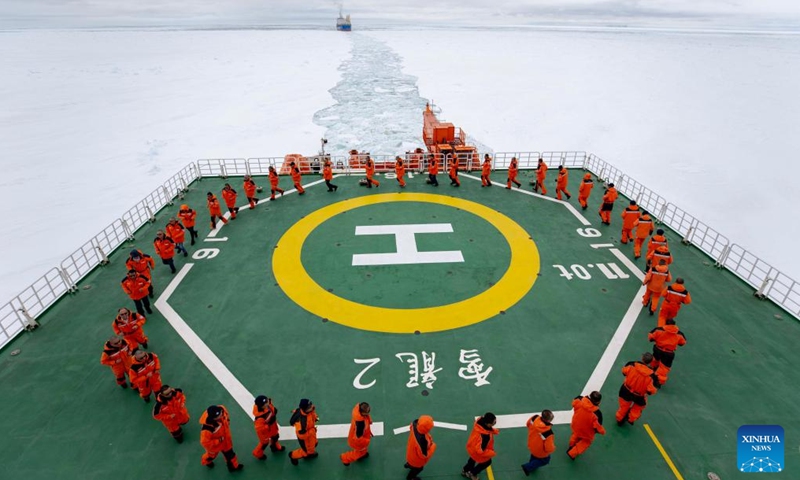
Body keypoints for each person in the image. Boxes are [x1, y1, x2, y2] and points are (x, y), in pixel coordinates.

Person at [616, 353, 658, 426]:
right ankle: (631, 418)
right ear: (651, 361)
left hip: (626, 390)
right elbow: (651, 391)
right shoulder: (652, 376)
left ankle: (619, 419)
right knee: (638, 408)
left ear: (642, 358)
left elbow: (624, 372)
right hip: (639, 395)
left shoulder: (632, 365)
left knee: (624, 406)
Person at [200, 405, 244, 471]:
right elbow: (205, 442)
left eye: (220, 413)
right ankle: (206, 461)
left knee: (230, 455)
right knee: (211, 456)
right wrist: (218, 441)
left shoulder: (222, 409)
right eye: (218, 416)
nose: (221, 415)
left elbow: (226, 414)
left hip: (226, 441)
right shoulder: (207, 429)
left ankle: (234, 466)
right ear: (213, 418)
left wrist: (228, 421)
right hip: (215, 446)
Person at [567, 392, 605, 460]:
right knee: (586, 442)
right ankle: (572, 453)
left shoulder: (580, 399)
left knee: (575, 434)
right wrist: (602, 432)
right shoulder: (597, 414)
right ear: (598, 402)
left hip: (576, 424)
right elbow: (597, 428)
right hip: (586, 432)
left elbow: (574, 403)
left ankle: (571, 444)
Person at [648, 319, 687, 386]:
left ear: (665, 324)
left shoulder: (658, 330)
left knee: (655, 359)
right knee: (664, 368)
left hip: (658, 349)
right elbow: (682, 343)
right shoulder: (679, 334)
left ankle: (652, 370)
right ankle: (658, 381)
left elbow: (651, 337)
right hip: (668, 353)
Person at [462, 412, 498, 480]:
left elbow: (487, 429)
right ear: (488, 424)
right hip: (477, 450)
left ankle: (465, 470)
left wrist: (493, 431)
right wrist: (491, 453)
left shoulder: (479, 423)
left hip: (472, 446)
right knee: (487, 461)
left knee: (472, 459)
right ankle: (472, 473)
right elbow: (480, 451)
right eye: (494, 422)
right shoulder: (485, 437)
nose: (495, 423)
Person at [521, 410, 555, 475]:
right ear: (548, 420)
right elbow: (548, 448)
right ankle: (527, 467)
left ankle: (532, 465)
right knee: (545, 460)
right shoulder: (548, 433)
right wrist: (553, 448)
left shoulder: (534, 418)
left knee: (534, 456)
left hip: (531, 443)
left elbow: (528, 424)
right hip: (540, 451)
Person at [252, 395, 284, 460]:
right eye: (265, 403)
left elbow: (271, 407)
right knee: (264, 443)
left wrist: (274, 410)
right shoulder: (259, 418)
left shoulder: (267, 405)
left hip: (272, 427)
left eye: (267, 401)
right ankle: (258, 453)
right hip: (264, 432)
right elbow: (259, 428)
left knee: (275, 437)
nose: (267, 403)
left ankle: (274, 446)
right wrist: (268, 424)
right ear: (261, 406)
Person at [288, 398, 319, 465]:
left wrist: (315, 418)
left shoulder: (308, 411)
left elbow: (312, 414)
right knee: (307, 451)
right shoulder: (302, 422)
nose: (312, 406)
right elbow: (302, 435)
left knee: (315, 443)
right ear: (305, 409)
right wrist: (312, 431)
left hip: (311, 434)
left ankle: (310, 453)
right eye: (310, 406)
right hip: (306, 439)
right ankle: (293, 455)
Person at [405, 415, 436, 480]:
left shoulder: (414, 425)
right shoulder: (422, 441)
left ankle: (408, 464)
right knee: (418, 469)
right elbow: (423, 455)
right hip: (416, 461)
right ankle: (410, 478)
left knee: (411, 462)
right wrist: (433, 447)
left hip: (410, 453)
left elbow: (411, 427)